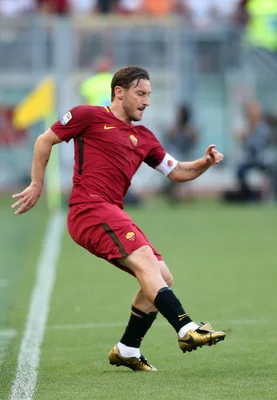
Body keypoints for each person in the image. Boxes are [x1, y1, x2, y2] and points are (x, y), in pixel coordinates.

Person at [11, 65, 226, 371]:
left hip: (112, 211)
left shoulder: (145, 137)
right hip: (90, 209)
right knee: (147, 264)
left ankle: (127, 348)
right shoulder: (88, 116)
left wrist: (205, 163)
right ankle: (186, 328)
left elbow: (177, 171)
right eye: (141, 93)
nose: (147, 101)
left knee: (162, 277)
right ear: (119, 92)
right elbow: (44, 140)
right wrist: (36, 184)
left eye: (149, 95)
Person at [163, 104, 199, 203]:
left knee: (184, 173)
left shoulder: (190, 129)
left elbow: (194, 142)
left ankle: (183, 195)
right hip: (175, 156)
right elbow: (168, 138)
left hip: (186, 156)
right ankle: (173, 193)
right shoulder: (174, 128)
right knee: (171, 167)